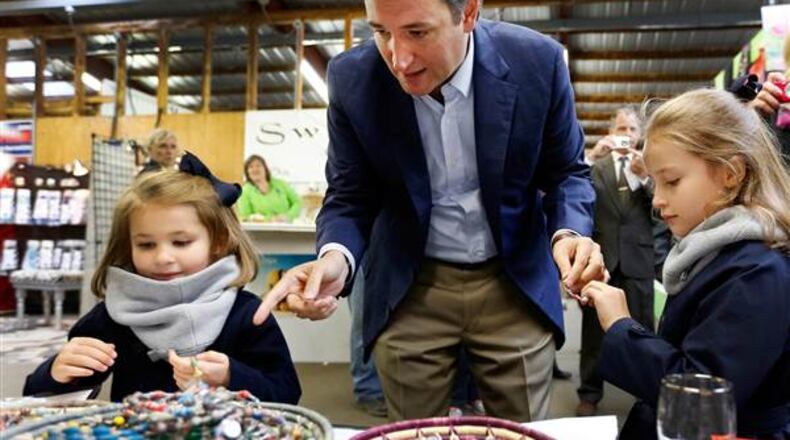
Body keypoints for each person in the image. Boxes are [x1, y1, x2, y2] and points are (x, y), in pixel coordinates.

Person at [254, 0, 604, 422]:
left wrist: (570, 234)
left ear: (469, 13)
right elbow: (351, 193)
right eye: (381, 32)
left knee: (521, 425)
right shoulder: (353, 78)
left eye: (418, 33)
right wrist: (335, 260)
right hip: (409, 284)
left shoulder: (536, 61)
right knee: (412, 430)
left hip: (513, 280)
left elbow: (568, 172)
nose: (399, 60)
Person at [580, 89, 790, 439]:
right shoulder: (721, 255)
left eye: (672, 181)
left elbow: (700, 395)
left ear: (730, 173)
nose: (657, 200)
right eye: (655, 183)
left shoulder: (758, 273)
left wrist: (621, 324)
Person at [23, 153, 301, 404]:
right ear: (128, 244)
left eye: (180, 242)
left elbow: (287, 393)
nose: (163, 257)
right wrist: (56, 373)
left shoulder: (247, 313)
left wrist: (232, 376)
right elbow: (44, 396)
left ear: (218, 242)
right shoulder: (112, 316)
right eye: (146, 245)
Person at [576, 107, 660, 417]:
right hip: (603, 261)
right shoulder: (596, 167)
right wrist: (589, 157)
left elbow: (663, 209)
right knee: (594, 333)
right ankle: (589, 393)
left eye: (632, 131)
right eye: (621, 128)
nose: (626, 135)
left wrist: (647, 178)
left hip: (639, 259)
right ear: (611, 131)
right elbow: (577, 196)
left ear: (640, 137)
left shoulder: (650, 168)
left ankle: (648, 394)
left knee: (642, 329)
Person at [236, 155, 303, 223]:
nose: (255, 169)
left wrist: (288, 216)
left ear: (265, 169)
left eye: (258, 166)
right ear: (247, 172)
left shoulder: (280, 184)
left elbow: (297, 202)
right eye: (251, 167)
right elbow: (245, 216)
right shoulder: (245, 191)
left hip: (287, 226)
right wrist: (269, 219)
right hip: (261, 230)